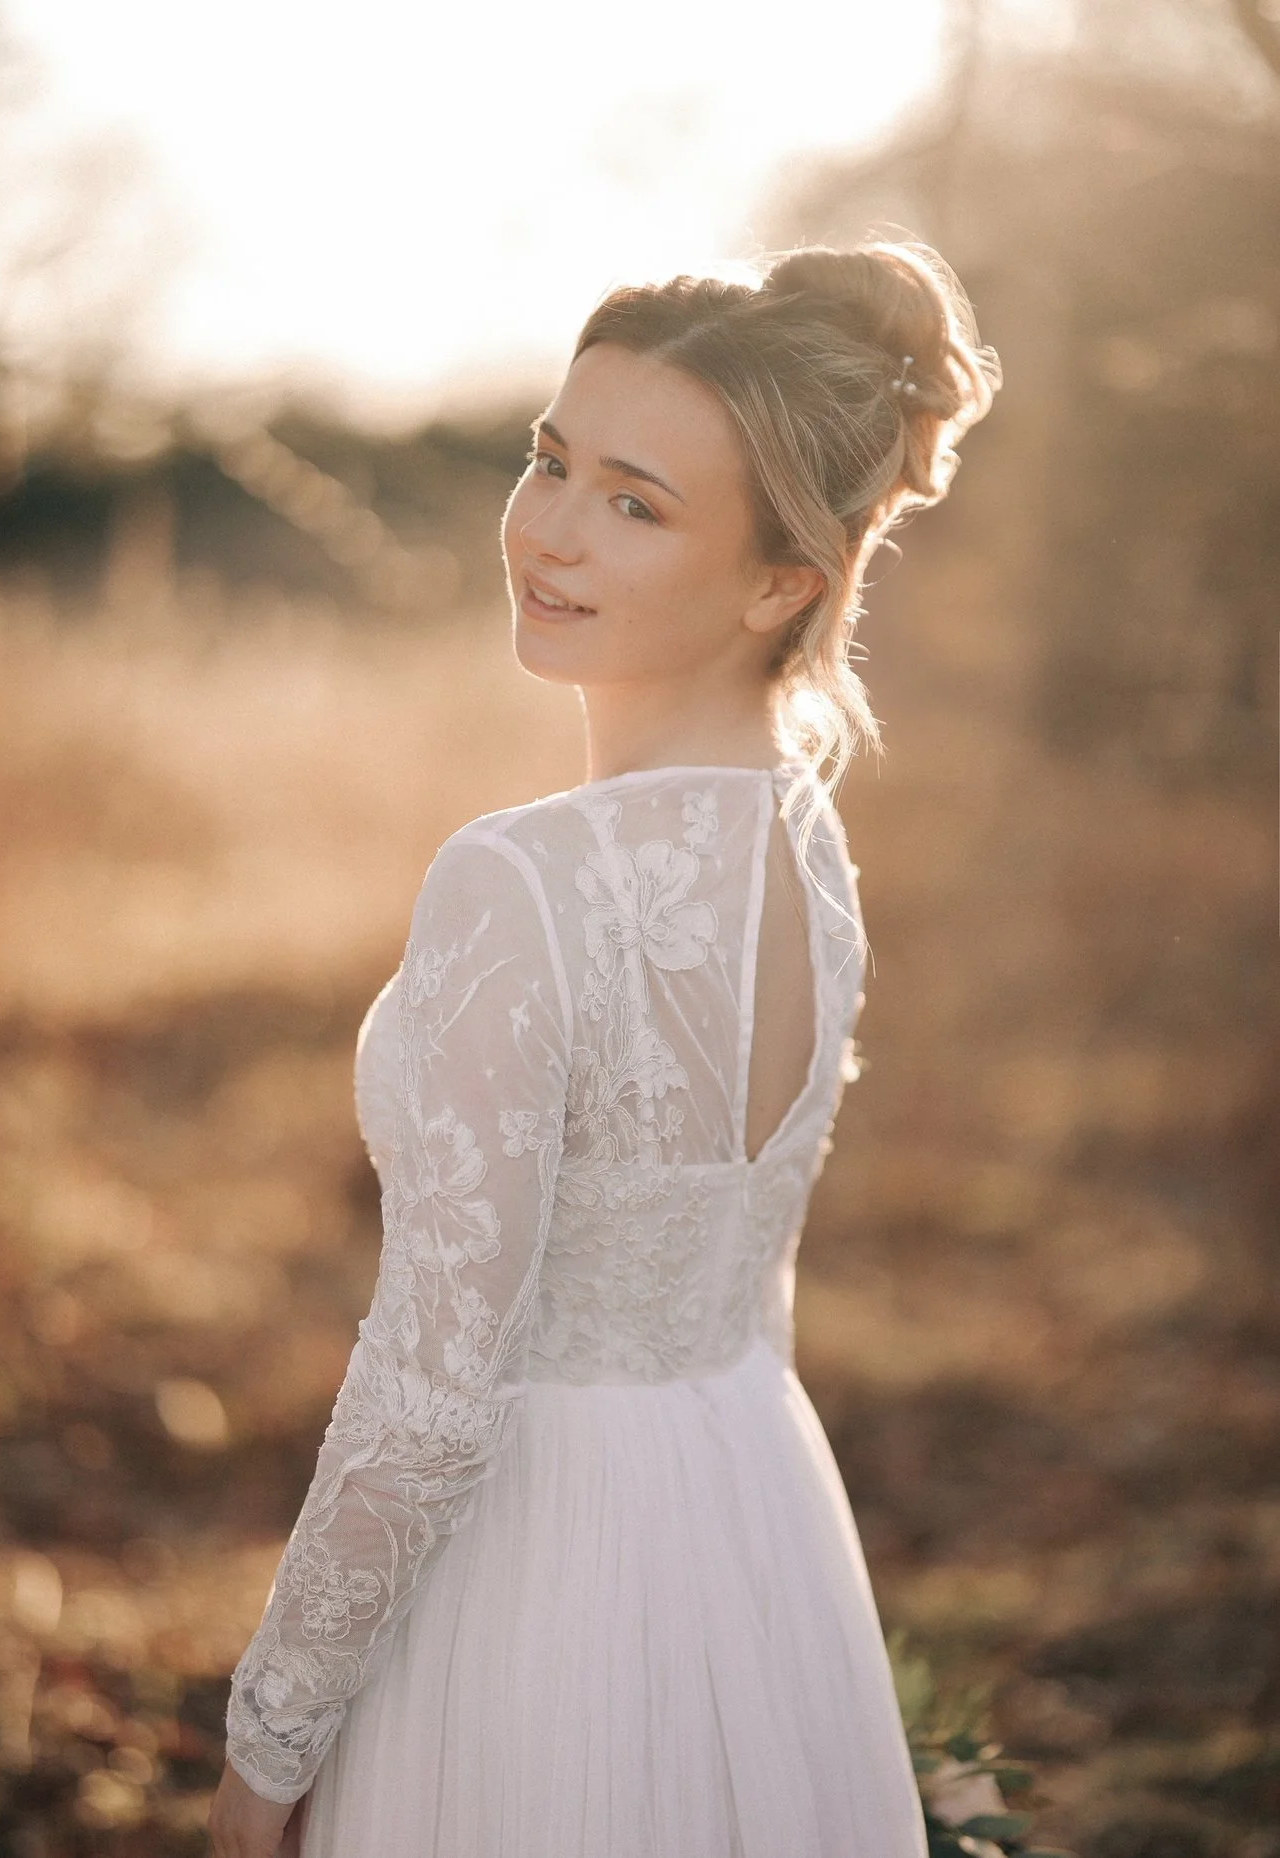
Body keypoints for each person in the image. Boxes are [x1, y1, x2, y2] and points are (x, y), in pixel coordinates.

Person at [207, 235, 1001, 1858]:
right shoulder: (805, 839)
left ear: (782, 580)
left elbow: (430, 1403)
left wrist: (266, 1747)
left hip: (534, 1583)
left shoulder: (519, 882)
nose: (551, 530)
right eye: (548, 460)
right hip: (747, 1521)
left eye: (635, 502)